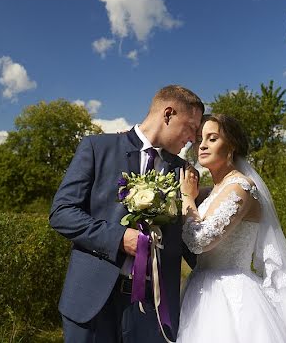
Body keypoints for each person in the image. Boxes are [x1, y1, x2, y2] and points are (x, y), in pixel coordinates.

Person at [50, 85, 204, 343]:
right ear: (168, 114)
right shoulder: (98, 148)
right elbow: (62, 213)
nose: (192, 138)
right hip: (92, 303)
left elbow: (193, 241)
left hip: (152, 310)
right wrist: (119, 238)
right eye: (191, 127)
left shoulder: (184, 175)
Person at [178, 113, 286, 343]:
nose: (202, 145)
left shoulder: (241, 187)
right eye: (199, 139)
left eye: (212, 138)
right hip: (200, 288)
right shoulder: (207, 192)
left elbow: (199, 242)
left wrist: (186, 197)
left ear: (231, 145)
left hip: (229, 294)